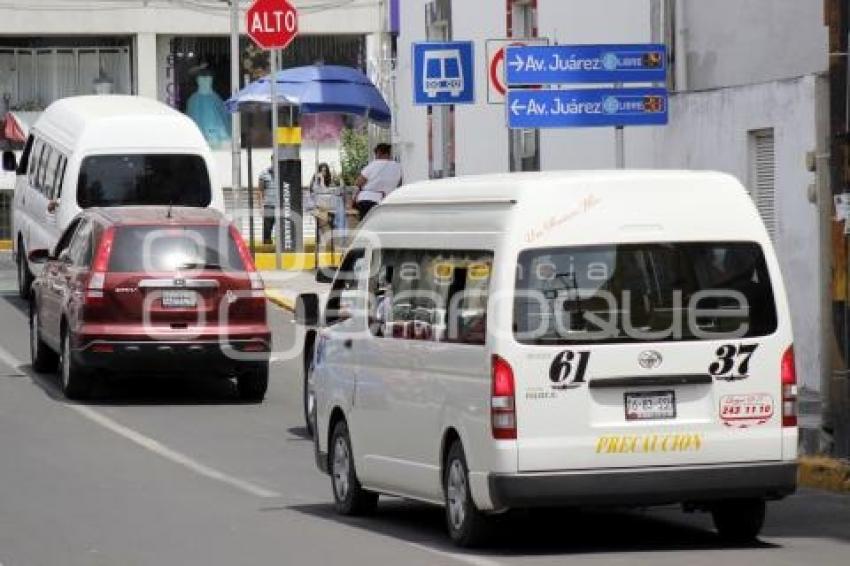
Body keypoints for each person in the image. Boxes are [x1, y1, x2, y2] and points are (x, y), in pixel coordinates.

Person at [354, 143, 402, 220]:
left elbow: (358, 182)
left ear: (378, 153)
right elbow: (399, 183)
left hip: (368, 200)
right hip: (388, 200)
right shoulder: (397, 166)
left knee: (367, 224)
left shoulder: (373, 165)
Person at [259, 156, 279, 245]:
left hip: (281, 206)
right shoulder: (264, 174)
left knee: (281, 231)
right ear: (271, 160)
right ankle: (267, 249)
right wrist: (261, 207)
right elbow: (260, 191)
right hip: (268, 205)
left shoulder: (284, 173)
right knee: (267, 230)